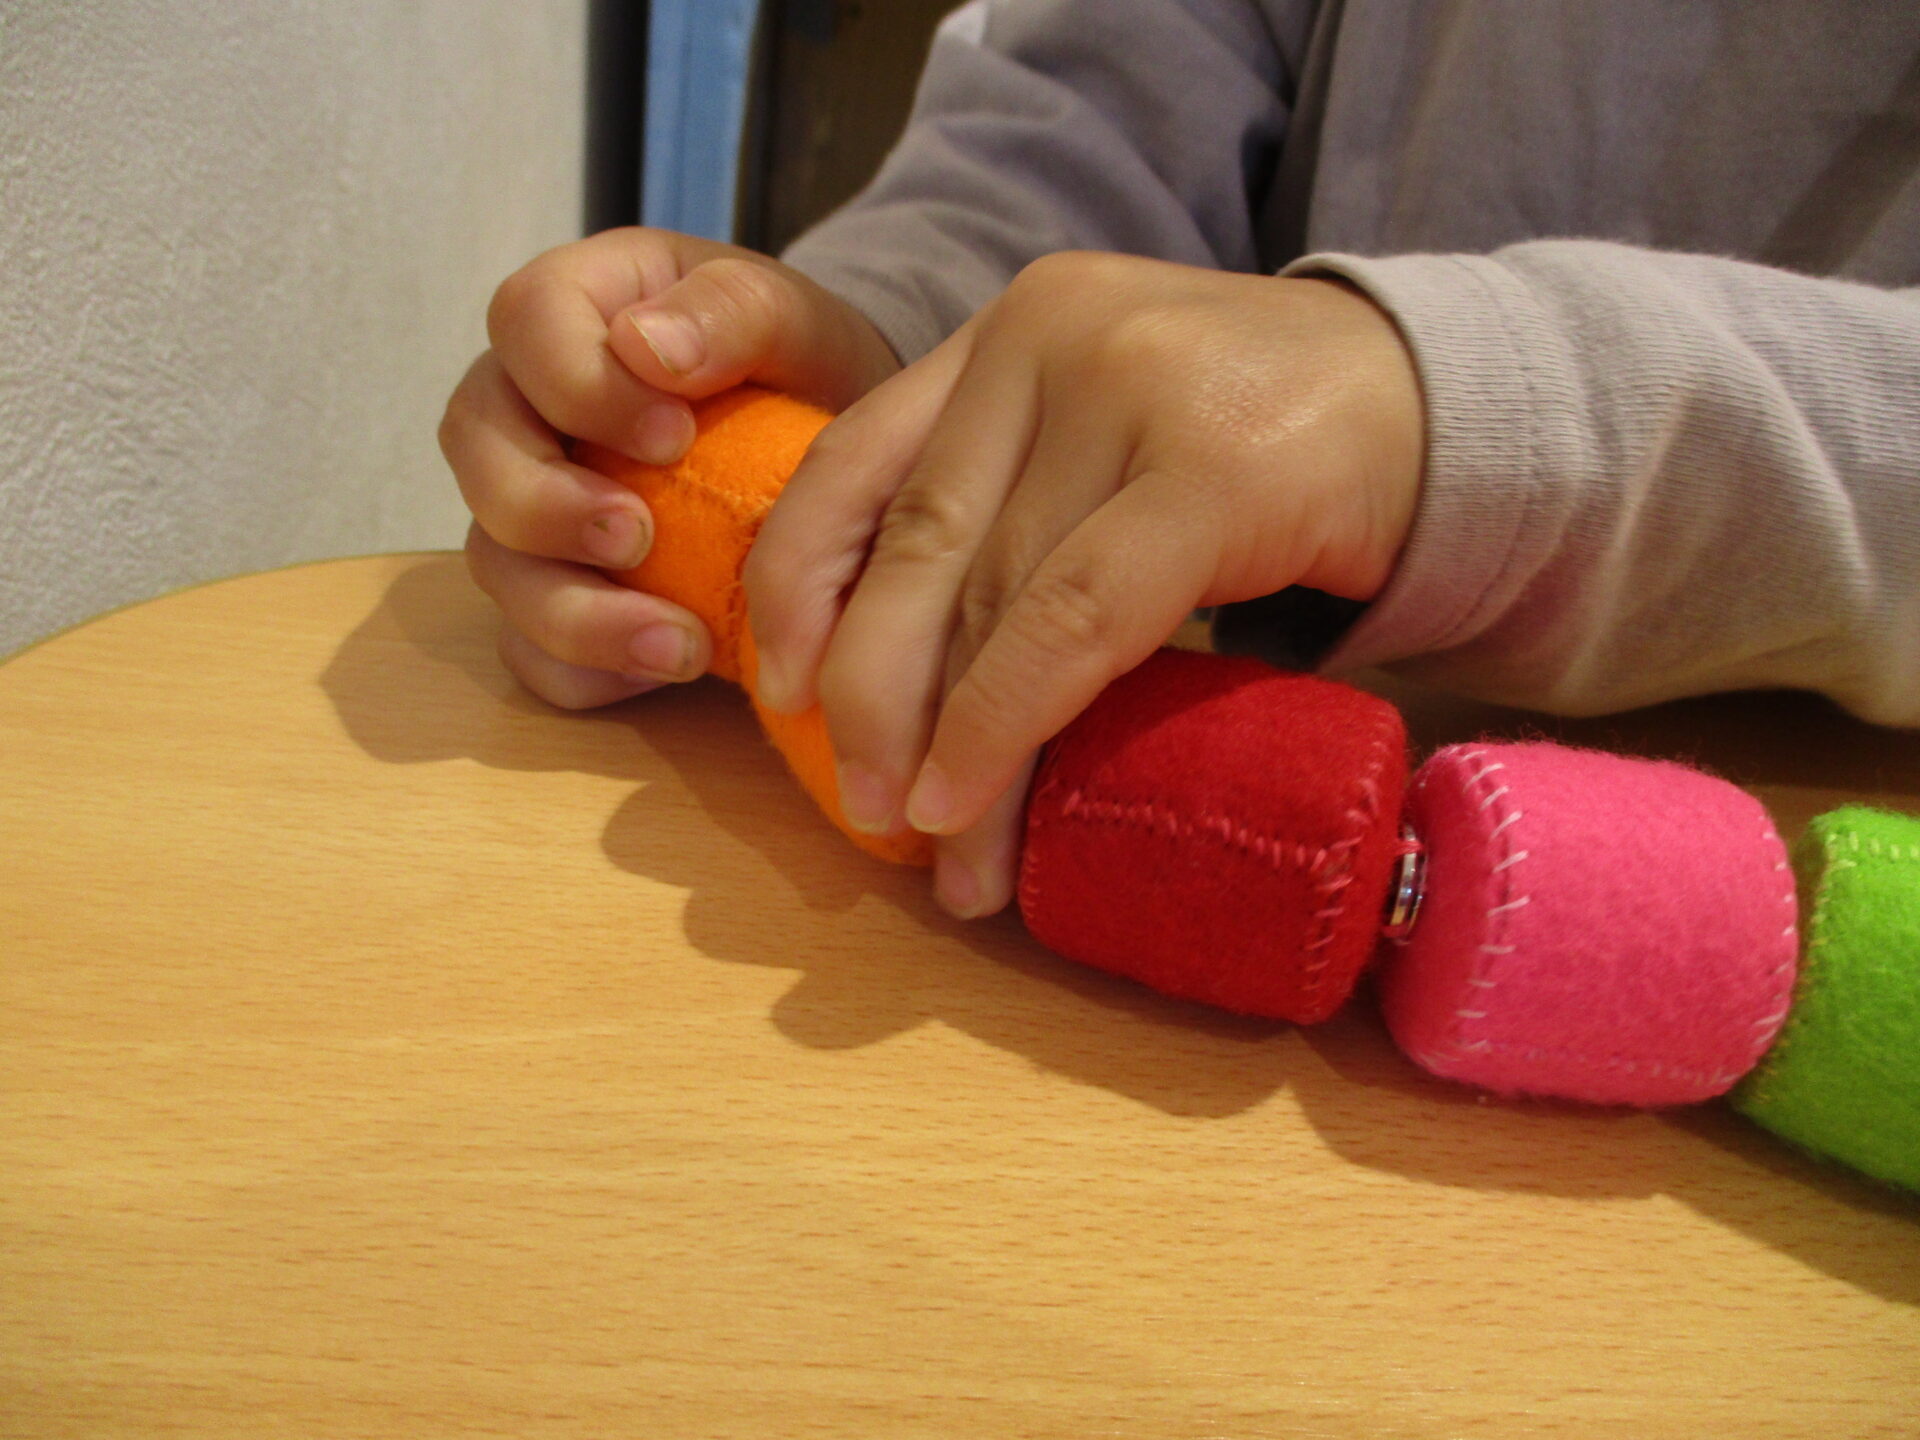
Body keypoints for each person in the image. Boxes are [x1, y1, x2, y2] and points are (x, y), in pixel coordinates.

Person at [440, 0, 1920, 920]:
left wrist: (1478, 407)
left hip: (1829, 866)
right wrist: (884, 348)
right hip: (1200, 822)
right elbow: (1080, 122)